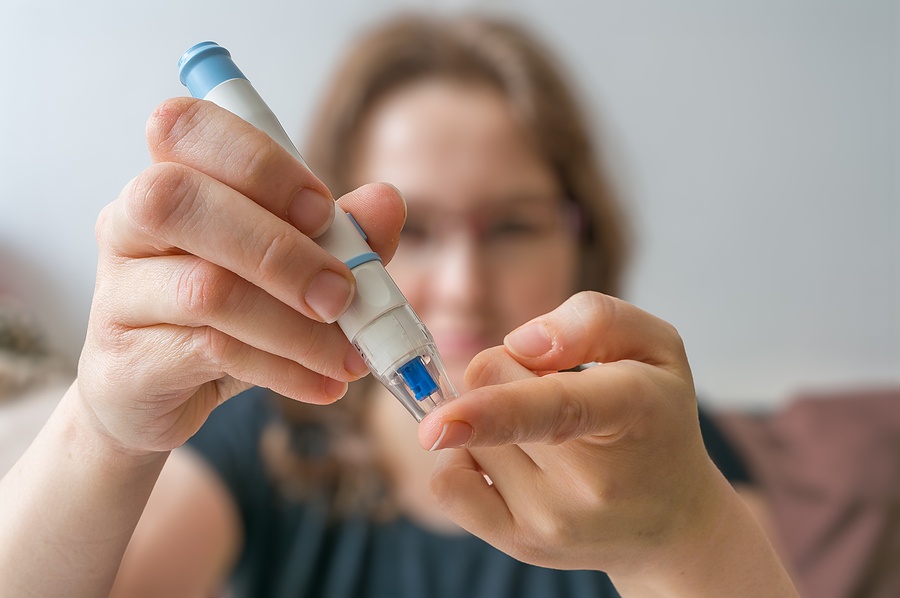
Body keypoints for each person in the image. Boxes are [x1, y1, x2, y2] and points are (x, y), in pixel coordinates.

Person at [0, 14, 798, 597]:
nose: (461, 285)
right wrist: (102, 433)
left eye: (513, 226)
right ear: (328, 228)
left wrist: (684, 533)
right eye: (414, 229)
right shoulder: (266, 443)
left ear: (581, 237)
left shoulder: (654, 455)